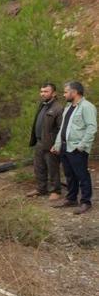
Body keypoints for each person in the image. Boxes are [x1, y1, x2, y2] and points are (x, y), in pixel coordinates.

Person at [52, 81, 97, 215]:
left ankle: (85, 202)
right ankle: (71, 199)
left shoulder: (87, 107)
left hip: (77, 148)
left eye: (66, 92)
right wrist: (57, 144)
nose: (64, 94)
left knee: (82, 175)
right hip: (65, 146)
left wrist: (82, 146)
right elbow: (63, 129)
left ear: (74, 92)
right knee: (69, 175)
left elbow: (92, 127)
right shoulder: (68, 107)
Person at [27, 83, 63, 200]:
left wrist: (57, 144)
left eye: (46, 91)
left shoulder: (58, 108)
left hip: (51, 144)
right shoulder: (42, 105)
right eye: (41, 91)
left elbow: (61, 129)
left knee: (53, 168)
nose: (43, 94)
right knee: (39, 167)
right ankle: (41, 189)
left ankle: (56, 191)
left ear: (54, 93)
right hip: (39, 142)